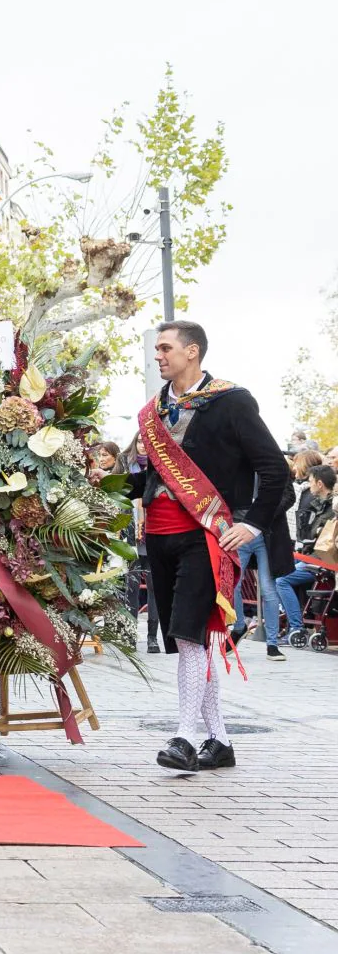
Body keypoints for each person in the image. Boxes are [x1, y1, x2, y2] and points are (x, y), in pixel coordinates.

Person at [129, 319, 293, 773]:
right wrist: (105, 483)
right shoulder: (155, 410)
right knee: (188, 641)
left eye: (165, 348)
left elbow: (275, 470)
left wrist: (253, 525)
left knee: (188, 634)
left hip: (205, 536)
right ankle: (219, 741)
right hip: (158, 538)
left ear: (192, 352)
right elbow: (150, 480)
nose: (158, 356)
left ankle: (184, 735)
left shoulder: (232, 402)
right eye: (156, 349)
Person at [273, 463, 333, 646]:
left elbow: (319, 539)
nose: (309, 485)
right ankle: (292, 625)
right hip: (313, 556)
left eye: (312, 481)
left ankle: (296, 628)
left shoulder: (331, 508)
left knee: (281, 580)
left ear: (320, 483)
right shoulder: (319, 505)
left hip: (322, 560)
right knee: (279, 572)